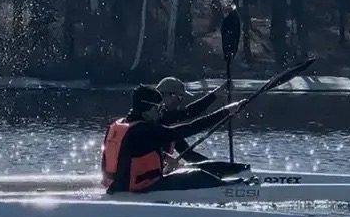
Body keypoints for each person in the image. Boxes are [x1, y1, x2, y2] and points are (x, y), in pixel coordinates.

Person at [101, 85, 246, 194]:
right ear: (149, 108)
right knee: (197, 175)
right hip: (142, 188)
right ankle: (238, 187)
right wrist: (225, 112)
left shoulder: (119, 125)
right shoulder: (144, 130)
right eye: (159, 108)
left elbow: (129, 153)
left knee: (195, 168)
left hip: (119, 186)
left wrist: (164, 157)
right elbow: (189, 128)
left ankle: (238, 175)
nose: (161, 112)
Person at [155, 77, 250, 179]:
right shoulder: (157, 119)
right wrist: (225, 110)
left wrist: (213, 167)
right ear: (167, 95)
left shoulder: (167, 125)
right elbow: (192, 120)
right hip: (151, 180)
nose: (181, 102)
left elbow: (188, 155)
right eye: (180, 97)